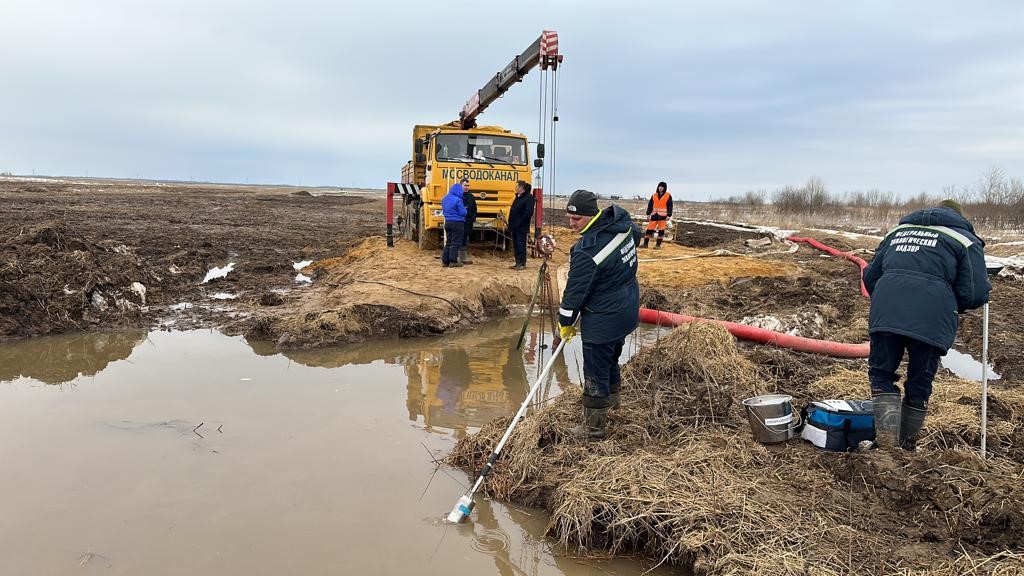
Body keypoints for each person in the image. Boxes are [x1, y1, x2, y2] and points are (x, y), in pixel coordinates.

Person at [863, 199, 990, 450]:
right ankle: (907, 446)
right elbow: (974, 292)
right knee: (920, 380)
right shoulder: (964, 239)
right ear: (958, 216)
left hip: (886, 311)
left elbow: (870, 276)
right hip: (932, 318)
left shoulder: (897, 232)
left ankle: (887, 445)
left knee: (881, 373)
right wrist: (948, 302)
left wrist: (887, 297)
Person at [557, 189, 641, 439]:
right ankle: (614, 405)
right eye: (569, 218)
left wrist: (565, 322)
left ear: (592, 216)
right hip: (626, 308)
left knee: (595, 370)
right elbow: (636, 236)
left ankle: (593, 428)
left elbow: (575, 292)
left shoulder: (587, 251)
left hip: (604, 316)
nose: (572, 224)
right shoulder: (621, 225)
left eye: (577, 219)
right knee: (611, 360)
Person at [507, 180, 535, 270]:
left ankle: (522, 263)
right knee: (515, 245)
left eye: (517, 186)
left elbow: (528, 213)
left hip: (521, 227)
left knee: (521, 245)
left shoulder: (529, 198)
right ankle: (517, 262)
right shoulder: (518, 197)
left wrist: (519, 223)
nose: (515, 188)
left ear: (521, 188)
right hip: (514, 226)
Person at [441, 179, 468, 268]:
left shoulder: (445, 198)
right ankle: (453, 261)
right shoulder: (458, 200)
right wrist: (465, 209)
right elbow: (463, 213)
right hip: (457, 223)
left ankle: (445, 261)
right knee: (455, 242)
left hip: (447, 222)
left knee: (448, 242)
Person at [641, 181, 673, 249]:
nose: (660, 188)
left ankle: (658, 245)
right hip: (654, 215)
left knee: (661, 231)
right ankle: (645, 244)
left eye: (662, 187)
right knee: (649, 229)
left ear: (664, 188)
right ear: (658, 187)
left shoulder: (668, 195)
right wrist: (648, 214)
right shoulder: (654, 195)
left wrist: (669, 215)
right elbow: (650, 205)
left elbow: (670, 206)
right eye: (659, 186)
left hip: (663, 216)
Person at [460, 181, 477, 265]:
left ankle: (463, 258)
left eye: (468, 185)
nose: (466, 187)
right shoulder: (458, 196)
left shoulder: (471, 197)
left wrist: (472, 218)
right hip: (459, 222)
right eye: (465, 185)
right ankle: (456, 257)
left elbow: (474, 209)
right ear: (461, 186)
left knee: (465, 240)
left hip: (468, 222)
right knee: (458, 239)